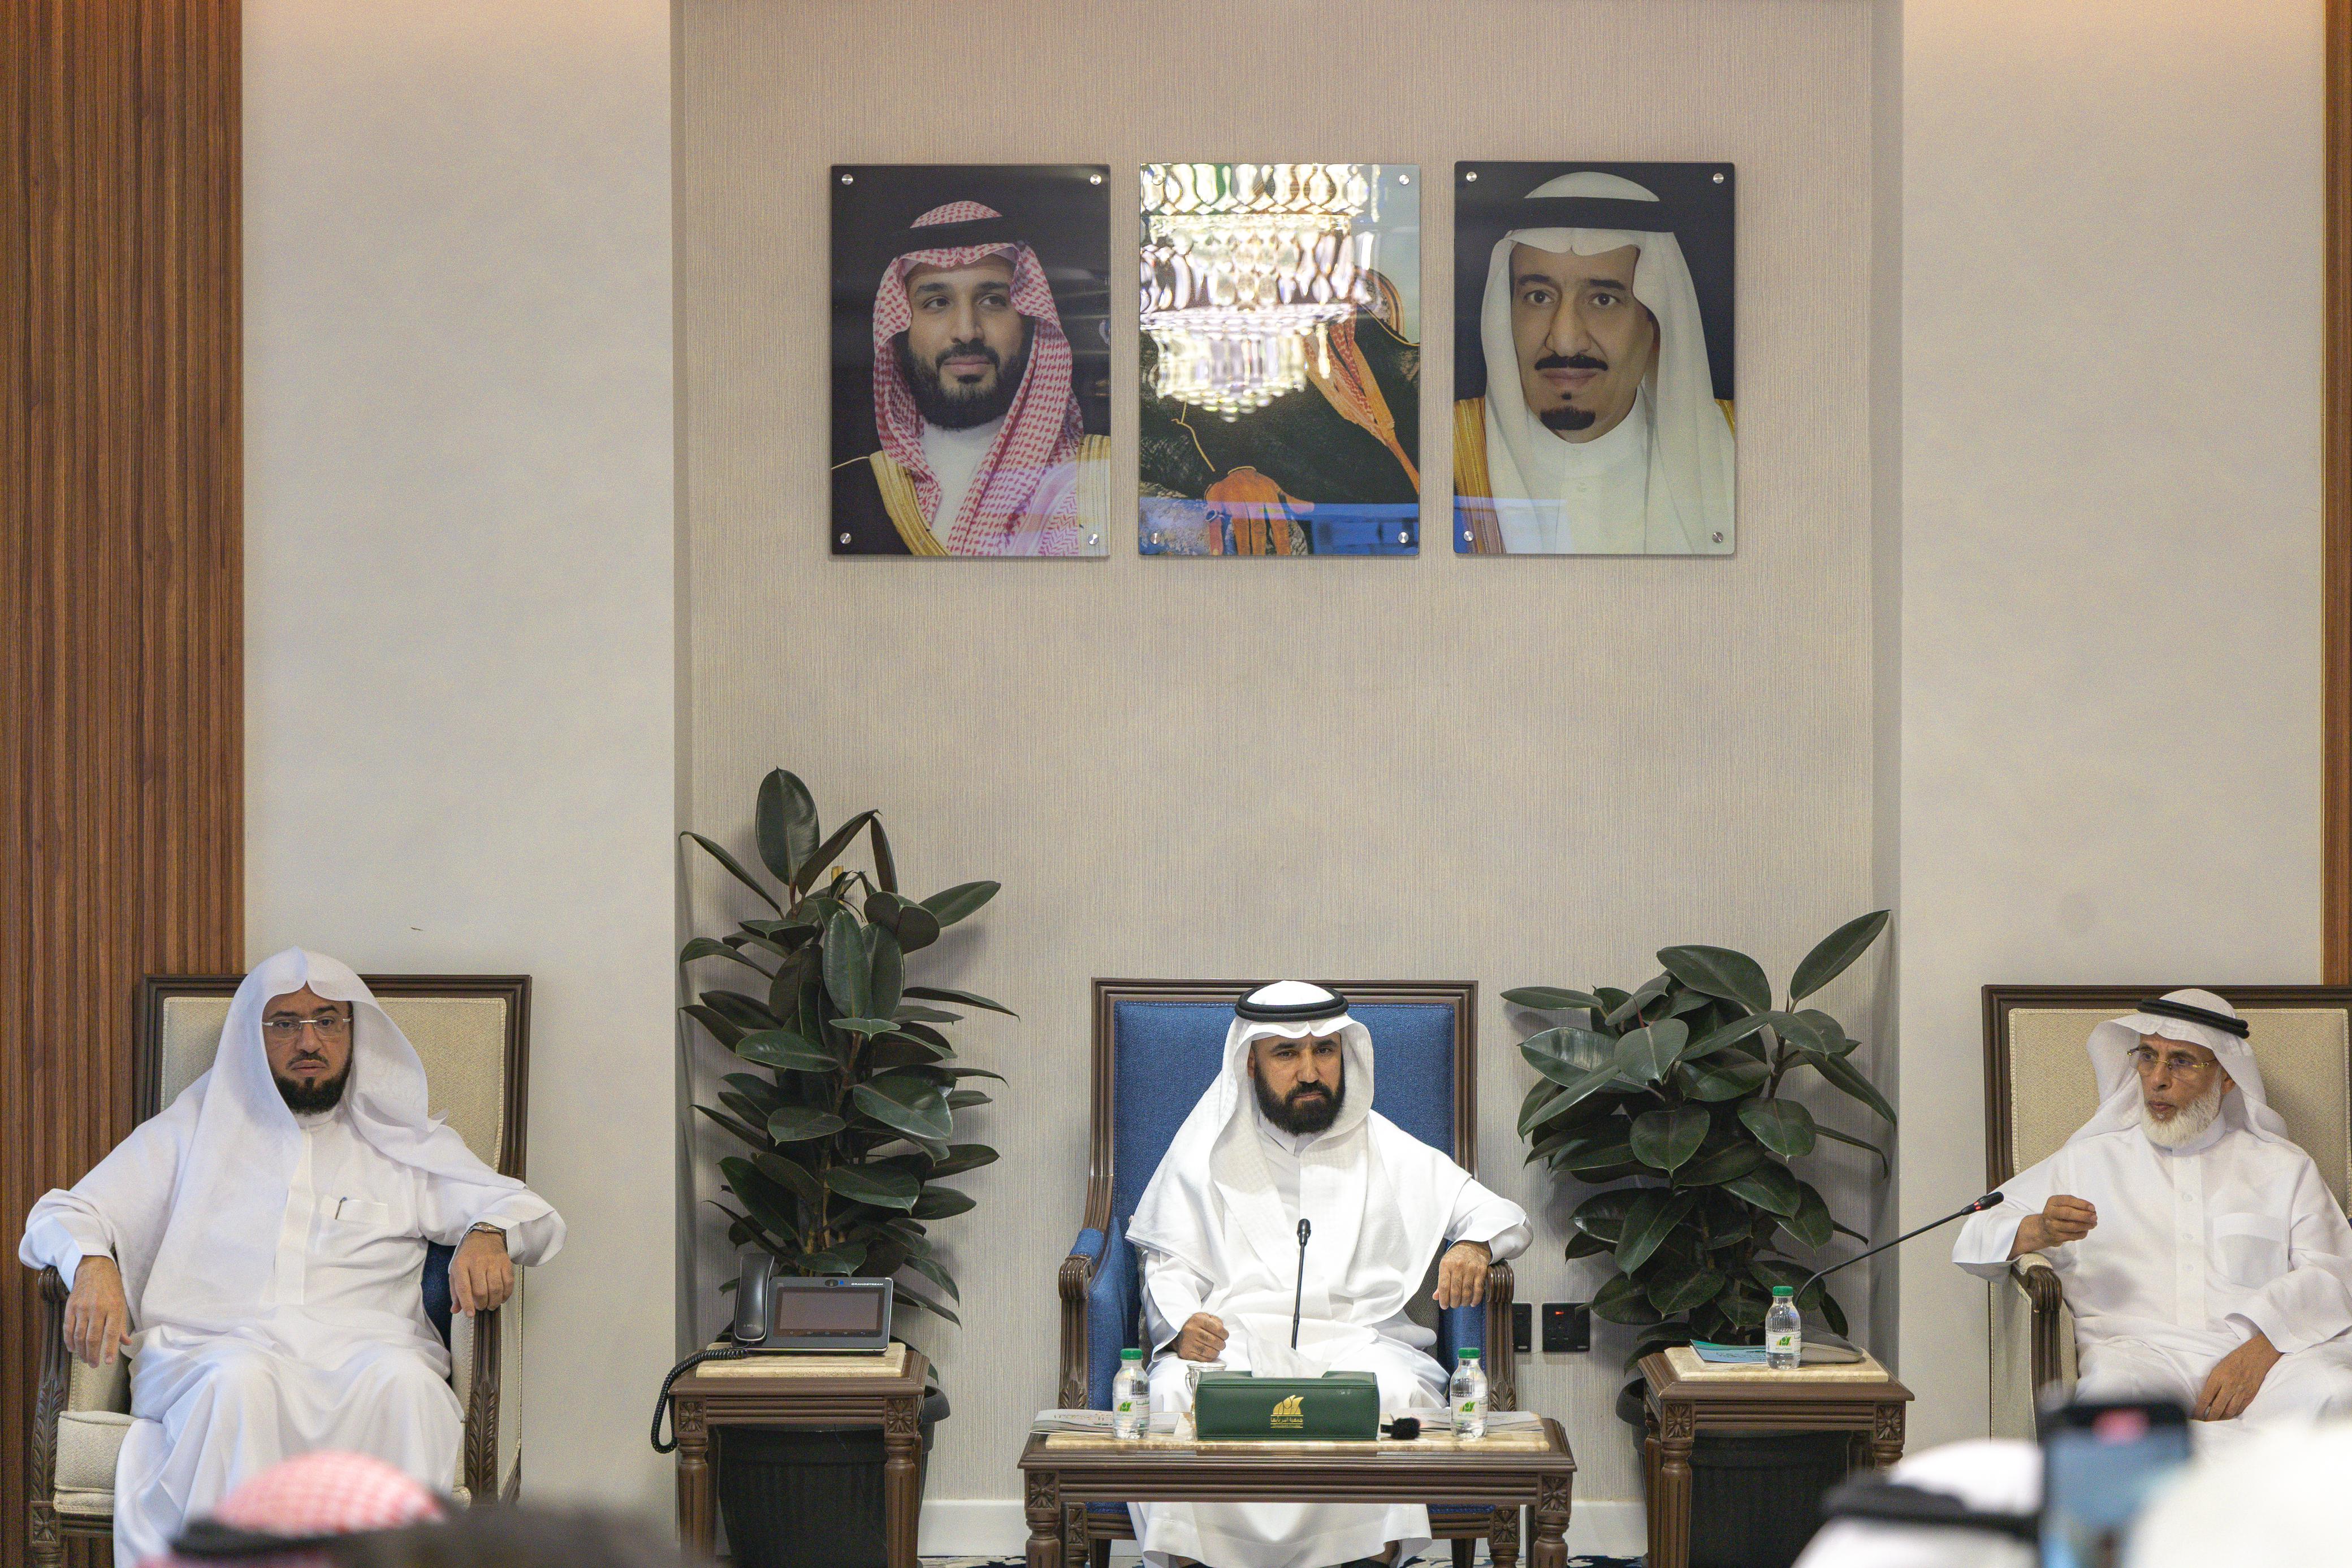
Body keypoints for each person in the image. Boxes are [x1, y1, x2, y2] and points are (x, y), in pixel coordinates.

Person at [19, 948, 565, 1566]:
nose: (309, 1040)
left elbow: (531, 1214)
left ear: (353, 1032)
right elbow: (62, 1211)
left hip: (368, 1356)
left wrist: (488, 1231)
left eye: (327, 1020)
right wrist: (92, 1263)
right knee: (240, 1382)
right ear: (253, 1037)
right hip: (216, 1350)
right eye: (284, 1023)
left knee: (410, 1386)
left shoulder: (404, 1144)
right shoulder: (191, 1132)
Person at [1123, 982, 1531, 1568]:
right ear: (1250, 1061)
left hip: (1358, 1344)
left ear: (1347, 1054)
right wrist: (1181, 1325)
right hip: (1234, 1345)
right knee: (1170, 1393)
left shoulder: (1384, 1147)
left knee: (1397, 1395)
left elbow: (1506, 1217)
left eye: (1325, 1051)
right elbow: (1168, 1260)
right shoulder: (1207, 1148)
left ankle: (1365, 1558)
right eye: (1287, 1054)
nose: (1310, 1072)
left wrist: (1473, 1244)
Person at [1951, 990, 2352, 1444]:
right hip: (2138, 1358)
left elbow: (2335, 1272)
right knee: (2112, 1407)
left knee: (2335, 1392)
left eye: (2181, 1061)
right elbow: (1974, 1237)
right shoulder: (2089, 1161)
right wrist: (2038, 1229)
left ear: (2226, 1077)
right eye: (2147, 1057)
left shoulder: (2284, 1168)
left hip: (2265, 1362)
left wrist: (2264, 1348)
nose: (2157, 1079)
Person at [1453, 171, 1735, 556]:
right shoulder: (1440, 449)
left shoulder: (1739, 448)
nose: (1565, 339)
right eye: (1539, 297)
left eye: (1603, 300)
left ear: (1655, 323)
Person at [832, 199, 1110, 556]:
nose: (966, 331)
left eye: (992, 300)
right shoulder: (846, 492)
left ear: (1029, 322)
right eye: (937, 303)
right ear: (900, 327)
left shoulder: (1104, 481)